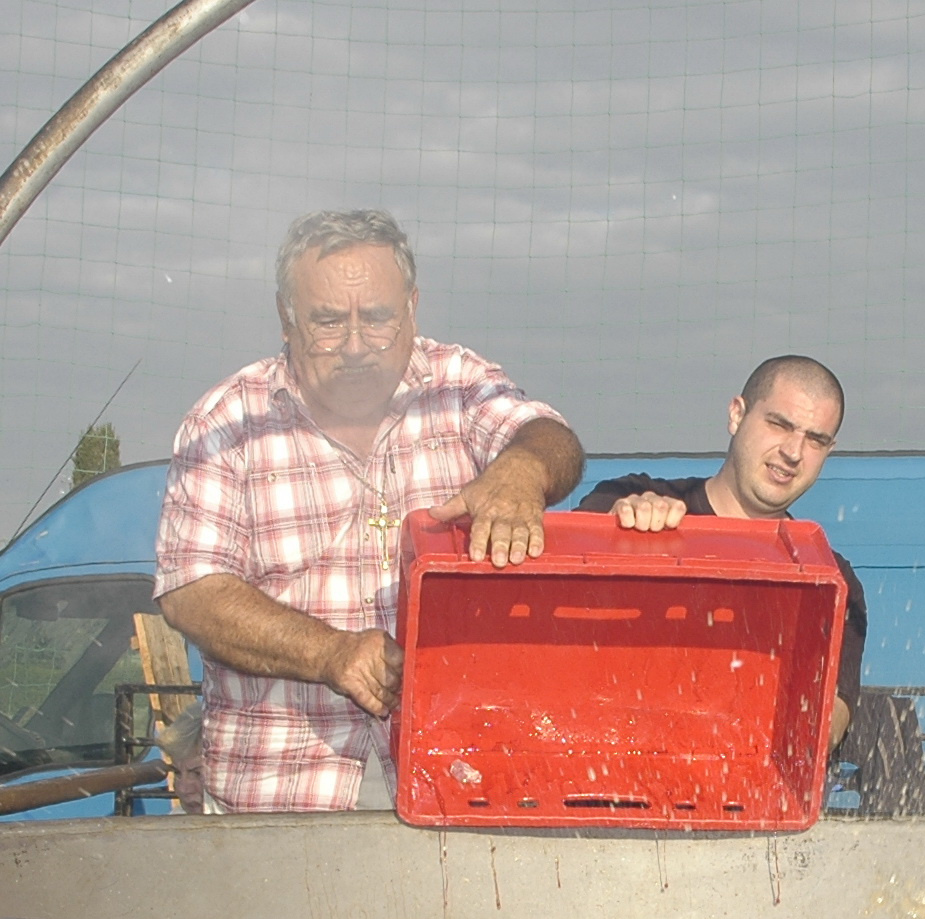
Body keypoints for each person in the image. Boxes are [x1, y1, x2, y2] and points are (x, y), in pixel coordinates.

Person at [154, 209, 583, 813]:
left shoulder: (458, 386)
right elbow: (190, 592)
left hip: (456, 783)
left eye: (377, 318)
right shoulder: (226, 421)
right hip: (279, 794)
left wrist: (524, 469)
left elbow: (551, 437)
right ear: (285, 317)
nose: (356, 345)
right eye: (328, 322)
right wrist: (329, 654)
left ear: (412, 305)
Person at [573, 355, 863, 748]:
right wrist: (619, 528)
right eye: (779, 424)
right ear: (736, 415)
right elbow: (576, 542)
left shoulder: (826, 575)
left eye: (815, 440)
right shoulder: (628, 498)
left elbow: (828, 723)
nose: (793, 452)